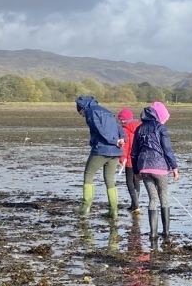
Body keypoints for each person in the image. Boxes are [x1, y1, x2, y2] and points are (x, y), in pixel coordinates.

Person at [131, 101, 179, 241]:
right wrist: (174, 168)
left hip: (144, 168)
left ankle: (153, 234)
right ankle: (166, 232)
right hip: (160, 168)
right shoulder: (160, 128)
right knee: (163, 197)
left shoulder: (139, 129)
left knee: (153, 199)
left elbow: (134, 153)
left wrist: (136, 172)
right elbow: (167, 150)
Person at [74, 95, 125, 218]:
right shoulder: (107, 111)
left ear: (82, 108)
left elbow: (99, 130)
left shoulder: (90, 112)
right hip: (116, 151)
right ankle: (113, 211)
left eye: (80, 113)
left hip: (102, 149)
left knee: (88, 174)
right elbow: (119, 127)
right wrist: (121, 139)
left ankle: (85, 207)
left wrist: (112, 141)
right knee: (109, 179)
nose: (82, 115)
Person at [117, 107, 143, 213]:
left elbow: (125, 147)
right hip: (139, 159)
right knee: (136, 180)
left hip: (129, 160)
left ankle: (135, 204)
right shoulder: (140, 127)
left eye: (121, 119)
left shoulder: (125, 129)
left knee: (129, 182)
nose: (120, 121)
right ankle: (134, 204)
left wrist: (122, 159)